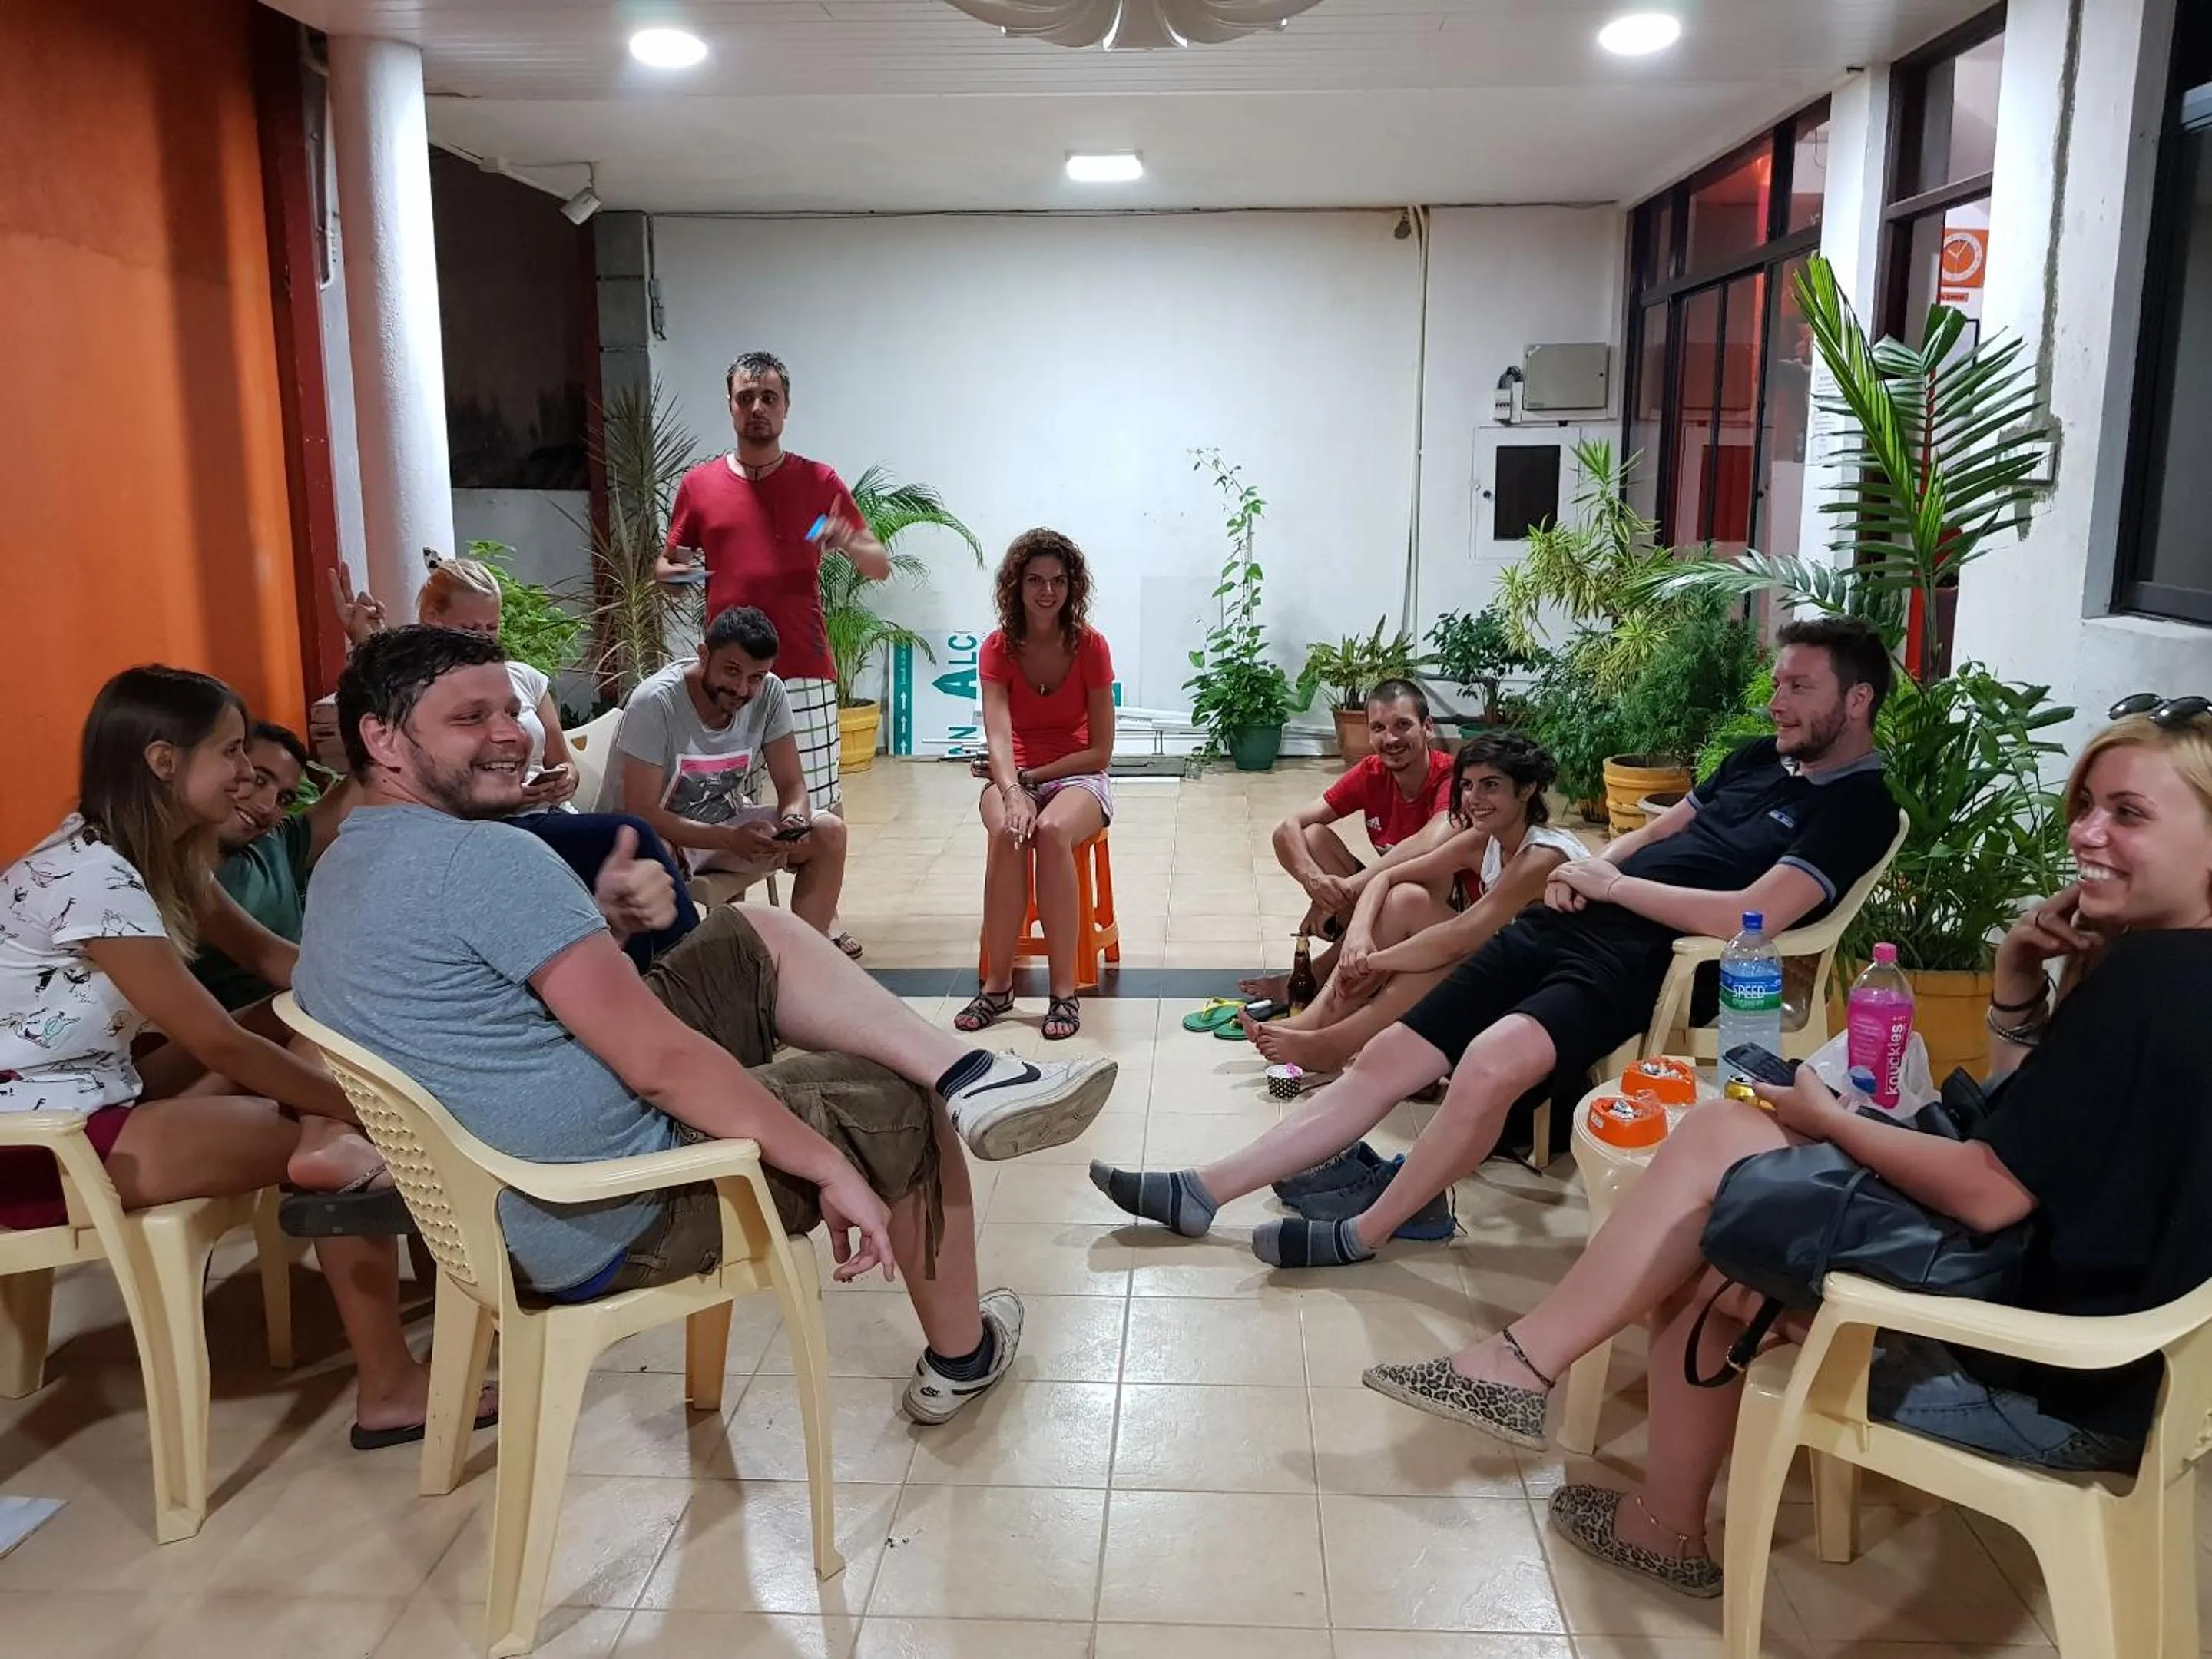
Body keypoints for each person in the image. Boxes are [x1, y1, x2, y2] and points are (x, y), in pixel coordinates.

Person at [1360, 700, 2212, 1598]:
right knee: (1728, 1168)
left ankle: (1557, 1404)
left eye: (2129, 813)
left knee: (1718, 1233)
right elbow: (2035, 1128)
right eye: (2087, 805)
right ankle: (1549, 1394)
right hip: (2109, 1347)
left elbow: (1992, 1190)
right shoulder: (2171, 969)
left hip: (2046, 1379)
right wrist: (2013, 985)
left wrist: (1834, 1121)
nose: (2088, 833)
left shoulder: (2150, 985)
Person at [296, 627, 1121, 1423]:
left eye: (508, 710)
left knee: (751, 936)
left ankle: (969, 1074)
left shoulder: (346, 857)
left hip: (495, 1210)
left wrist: (605, 926)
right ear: (385, 739)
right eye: (468, 719)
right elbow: (660, 1065)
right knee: (895, 1101)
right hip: (608, 1212)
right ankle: (963, 1355)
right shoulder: (487, 859)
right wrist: (828, 1165)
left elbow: (489, 1008)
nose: (510, 736)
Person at [1097, 617, 1902, 1268]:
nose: (1777, 701)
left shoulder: (1858, 807)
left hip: (1649, 961)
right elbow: (1662, 830)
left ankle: (1370, 1230)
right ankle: (1204, 1189)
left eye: (1799, 686)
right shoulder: (1762, 760)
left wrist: (1612, 887)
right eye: (1779, 681)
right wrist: (1587, 868)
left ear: (1858, 699)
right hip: (1573, 919)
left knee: (1485, 1064)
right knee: (1388, 1059)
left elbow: (1748, 914)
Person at [0, 667, 488, 1449]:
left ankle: (351, 1165)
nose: (248, 774)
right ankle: (393, 1386)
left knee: (317, 1021)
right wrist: (356, 1104)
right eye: (231, 753)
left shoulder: (151, 854)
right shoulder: (95, 878)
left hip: (94, 1088)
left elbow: (273, 962)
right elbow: (216, 1041)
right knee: (335, 1130)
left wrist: (403, 989)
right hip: (37, 1143)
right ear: (164, 761)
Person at [195, 720, 695, 997]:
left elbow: (358, 785)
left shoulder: (278, 844)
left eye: (283, 795)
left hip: (322, 999)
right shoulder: (177, 874)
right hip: (302, 1011)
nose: (264, 805)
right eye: (255, 778)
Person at [655, 349, 882, 958]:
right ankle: (736, 927)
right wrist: (678, 571)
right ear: (730, 404)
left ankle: (820, 922)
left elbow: (877, 562)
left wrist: (848, 542)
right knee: (728, 799)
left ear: (787, 405)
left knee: (814, 802)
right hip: (723, 676)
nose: (757, 408)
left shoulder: (819, 483)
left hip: (802, 666)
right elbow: (667, 562)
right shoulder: (699, 486)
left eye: (769, 398)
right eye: (746, 397)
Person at [1247, 732, 1588, 1075]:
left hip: (1557, 982)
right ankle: (1313, 1024)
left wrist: (1374, 961)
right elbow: (1387, 876)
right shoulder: (1484, 839)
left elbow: (1459, 938)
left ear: (1527, 789)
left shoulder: (1541, 856)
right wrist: (1357, 938)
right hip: (1513, 960)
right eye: (1468, 786)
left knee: (1439, 956)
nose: (1474, 798)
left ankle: (1335, 1043)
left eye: (1491, 785)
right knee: (1405, 898)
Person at [957, 529, 1117, 1042]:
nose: (1047, 591)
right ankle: (998, 987)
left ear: (1073, 587)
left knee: (1049, 832)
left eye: (1058, 581)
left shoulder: (1090, 646)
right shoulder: (998, 649)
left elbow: (1100, 753)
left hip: (1075, 776)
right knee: (1009, 831)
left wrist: (1031, 782)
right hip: (1011, 777)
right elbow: (998, 736)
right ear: (1017, 586)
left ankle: (1063, 992)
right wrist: (1011, 791)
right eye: (1035, 581)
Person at [605, 605, 848, 939]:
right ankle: (676, 974)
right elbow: (641, 812)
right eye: (732, 671)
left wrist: (794, 820)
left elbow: (792, 784)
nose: (742, 689)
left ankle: (805, 961)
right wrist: (730, 839)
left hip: (729, 824)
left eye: (755, 677)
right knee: (654, 851)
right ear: (704, 656)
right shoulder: (655, 702)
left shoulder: (771, 694)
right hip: (660, 833)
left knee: (829, 833)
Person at [1239, 680, 1454, 1008]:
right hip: (1388, 895)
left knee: (1403, 892)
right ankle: (1346, 968)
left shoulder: (1452, 777)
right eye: (1379, 728)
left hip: (1446, 913)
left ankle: (1321, 976)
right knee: (1312, 837)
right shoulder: (1372, 772)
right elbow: (1287, 829)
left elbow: (1430, 842)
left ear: (1427, 728)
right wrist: (1318, 887)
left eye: (1403, 725)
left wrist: (1352, 887)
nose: (1390, 739)